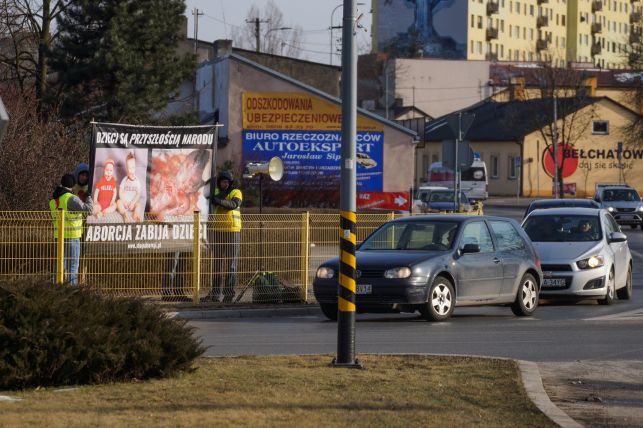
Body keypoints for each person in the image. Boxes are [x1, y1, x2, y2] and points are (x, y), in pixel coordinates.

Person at [49, 174, 93, 285]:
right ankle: (72, 294)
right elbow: (89, 209)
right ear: (72, 185)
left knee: (59, 267)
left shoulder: (54, 200)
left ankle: (55, 291)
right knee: (72, 267)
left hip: (58, 237)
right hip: (72, 237)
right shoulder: (71, 198)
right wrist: (88, 197)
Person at [207, 171, 242, 303]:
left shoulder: (236, 192)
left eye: (227, 182)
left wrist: (218, 201)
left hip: (233, 230)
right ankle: (215, 294)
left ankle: (228, 294)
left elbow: (233, 205)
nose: (224, 184)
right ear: (219, 182)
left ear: (230, 183)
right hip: (217, 230)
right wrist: (217, 199)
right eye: (222, 182)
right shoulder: (215, 192)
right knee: (216, 263)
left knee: (231, 264)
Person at [116, 152, 142, 222]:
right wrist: (124, 201)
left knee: (139, 205)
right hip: (125, 203)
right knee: (118, 202)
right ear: (127, 169)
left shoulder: (137, 181)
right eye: (129, 168)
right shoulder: (125, 180)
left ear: (135, 168)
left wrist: (133, 202)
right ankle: (124, 214)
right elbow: (120, 191)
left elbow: (138, 193)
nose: (131, 170)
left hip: (132, 204)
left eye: (133, 167)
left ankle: (136, 214)